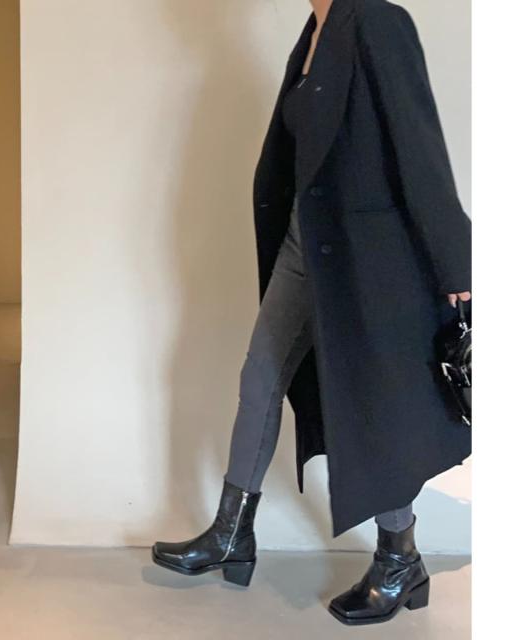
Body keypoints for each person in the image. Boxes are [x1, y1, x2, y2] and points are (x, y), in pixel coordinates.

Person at [152, 0, 471, 626]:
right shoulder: (314, 32)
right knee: (260, 376)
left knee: (375, 402)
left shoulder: (378, 21)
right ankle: (230, 534)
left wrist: (456, 263)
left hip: (369, 257)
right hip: (307, 245)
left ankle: (399, 560)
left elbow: (418, 141)